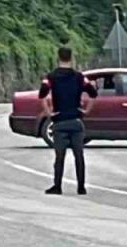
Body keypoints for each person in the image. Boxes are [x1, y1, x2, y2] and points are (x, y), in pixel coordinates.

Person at [39, 46, 98, 195]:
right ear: (71, 58)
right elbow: (93, 93)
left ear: (58, 58)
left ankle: (57, 186)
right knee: (79, 155)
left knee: (60, 156)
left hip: (59, 122)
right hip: (76, 121)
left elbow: (42, 95)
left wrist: (49, 114)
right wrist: (87, 111)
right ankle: (81, 187)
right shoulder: (79, 77)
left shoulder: (50, 77)